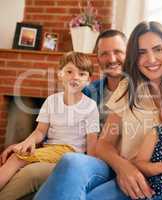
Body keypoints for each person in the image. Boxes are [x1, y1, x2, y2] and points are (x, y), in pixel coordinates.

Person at [33, 21, 162, 200]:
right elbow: (104, 144)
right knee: (70, 161)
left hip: (157, 184)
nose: (151, 59)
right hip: (121, 170)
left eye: (158, 49)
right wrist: (125, 168)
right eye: (142, 52)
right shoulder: (128, 88)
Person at [0, 29, 127, 200]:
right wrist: (24, 145)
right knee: (20, 163)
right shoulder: (90, 90)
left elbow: (91, 144)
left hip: (99, 160)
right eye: (105, 53)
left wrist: (87, 165)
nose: (111, 59)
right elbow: (48, 130)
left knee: (29, 171)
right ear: (98, 57)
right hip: (67, 153)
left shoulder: (135, 92)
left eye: (118, 52)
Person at [0, 51, 99, 190]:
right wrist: (26, 142)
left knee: (17, 159)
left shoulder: (90, 106)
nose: (75, 77)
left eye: (82, 74)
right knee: (17, 155)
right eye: (69, 71)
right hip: (50, 149)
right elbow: (40, 131)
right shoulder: (52, 101)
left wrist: (90, 169)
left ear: (88, 80)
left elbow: (92, 142)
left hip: (70, 153)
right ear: (60, 75)